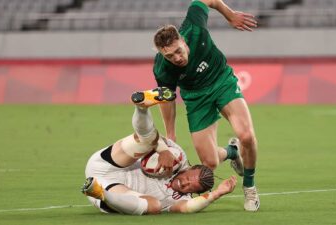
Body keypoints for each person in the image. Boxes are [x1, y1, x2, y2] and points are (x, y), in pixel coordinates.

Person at [139, 0, 260, 212]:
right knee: (210, 163)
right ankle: (232, 152)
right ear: (161, 53)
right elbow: (167, 99)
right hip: (196, 98)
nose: (177, 58)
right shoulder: (162, 68)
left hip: (221, 81)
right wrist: (171, 135)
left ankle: (249, 185)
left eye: (178, 51)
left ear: (182, 40)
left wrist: (229, 14)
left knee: (247, 135)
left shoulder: (194, 26)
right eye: (169, 55)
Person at [81, 88, 237, 215]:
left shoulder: (179, 199)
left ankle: (98, 192)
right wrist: (163, 151)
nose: (185, 183)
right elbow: (154, 137)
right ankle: (142, 107)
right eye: (189, 177)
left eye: (191, 187)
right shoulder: (179, 157)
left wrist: (217, 193)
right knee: (148, 141)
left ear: (194, 193)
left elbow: (188, 208)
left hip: (112, 190)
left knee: (155, 206)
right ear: (190, 168)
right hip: (109, 163)